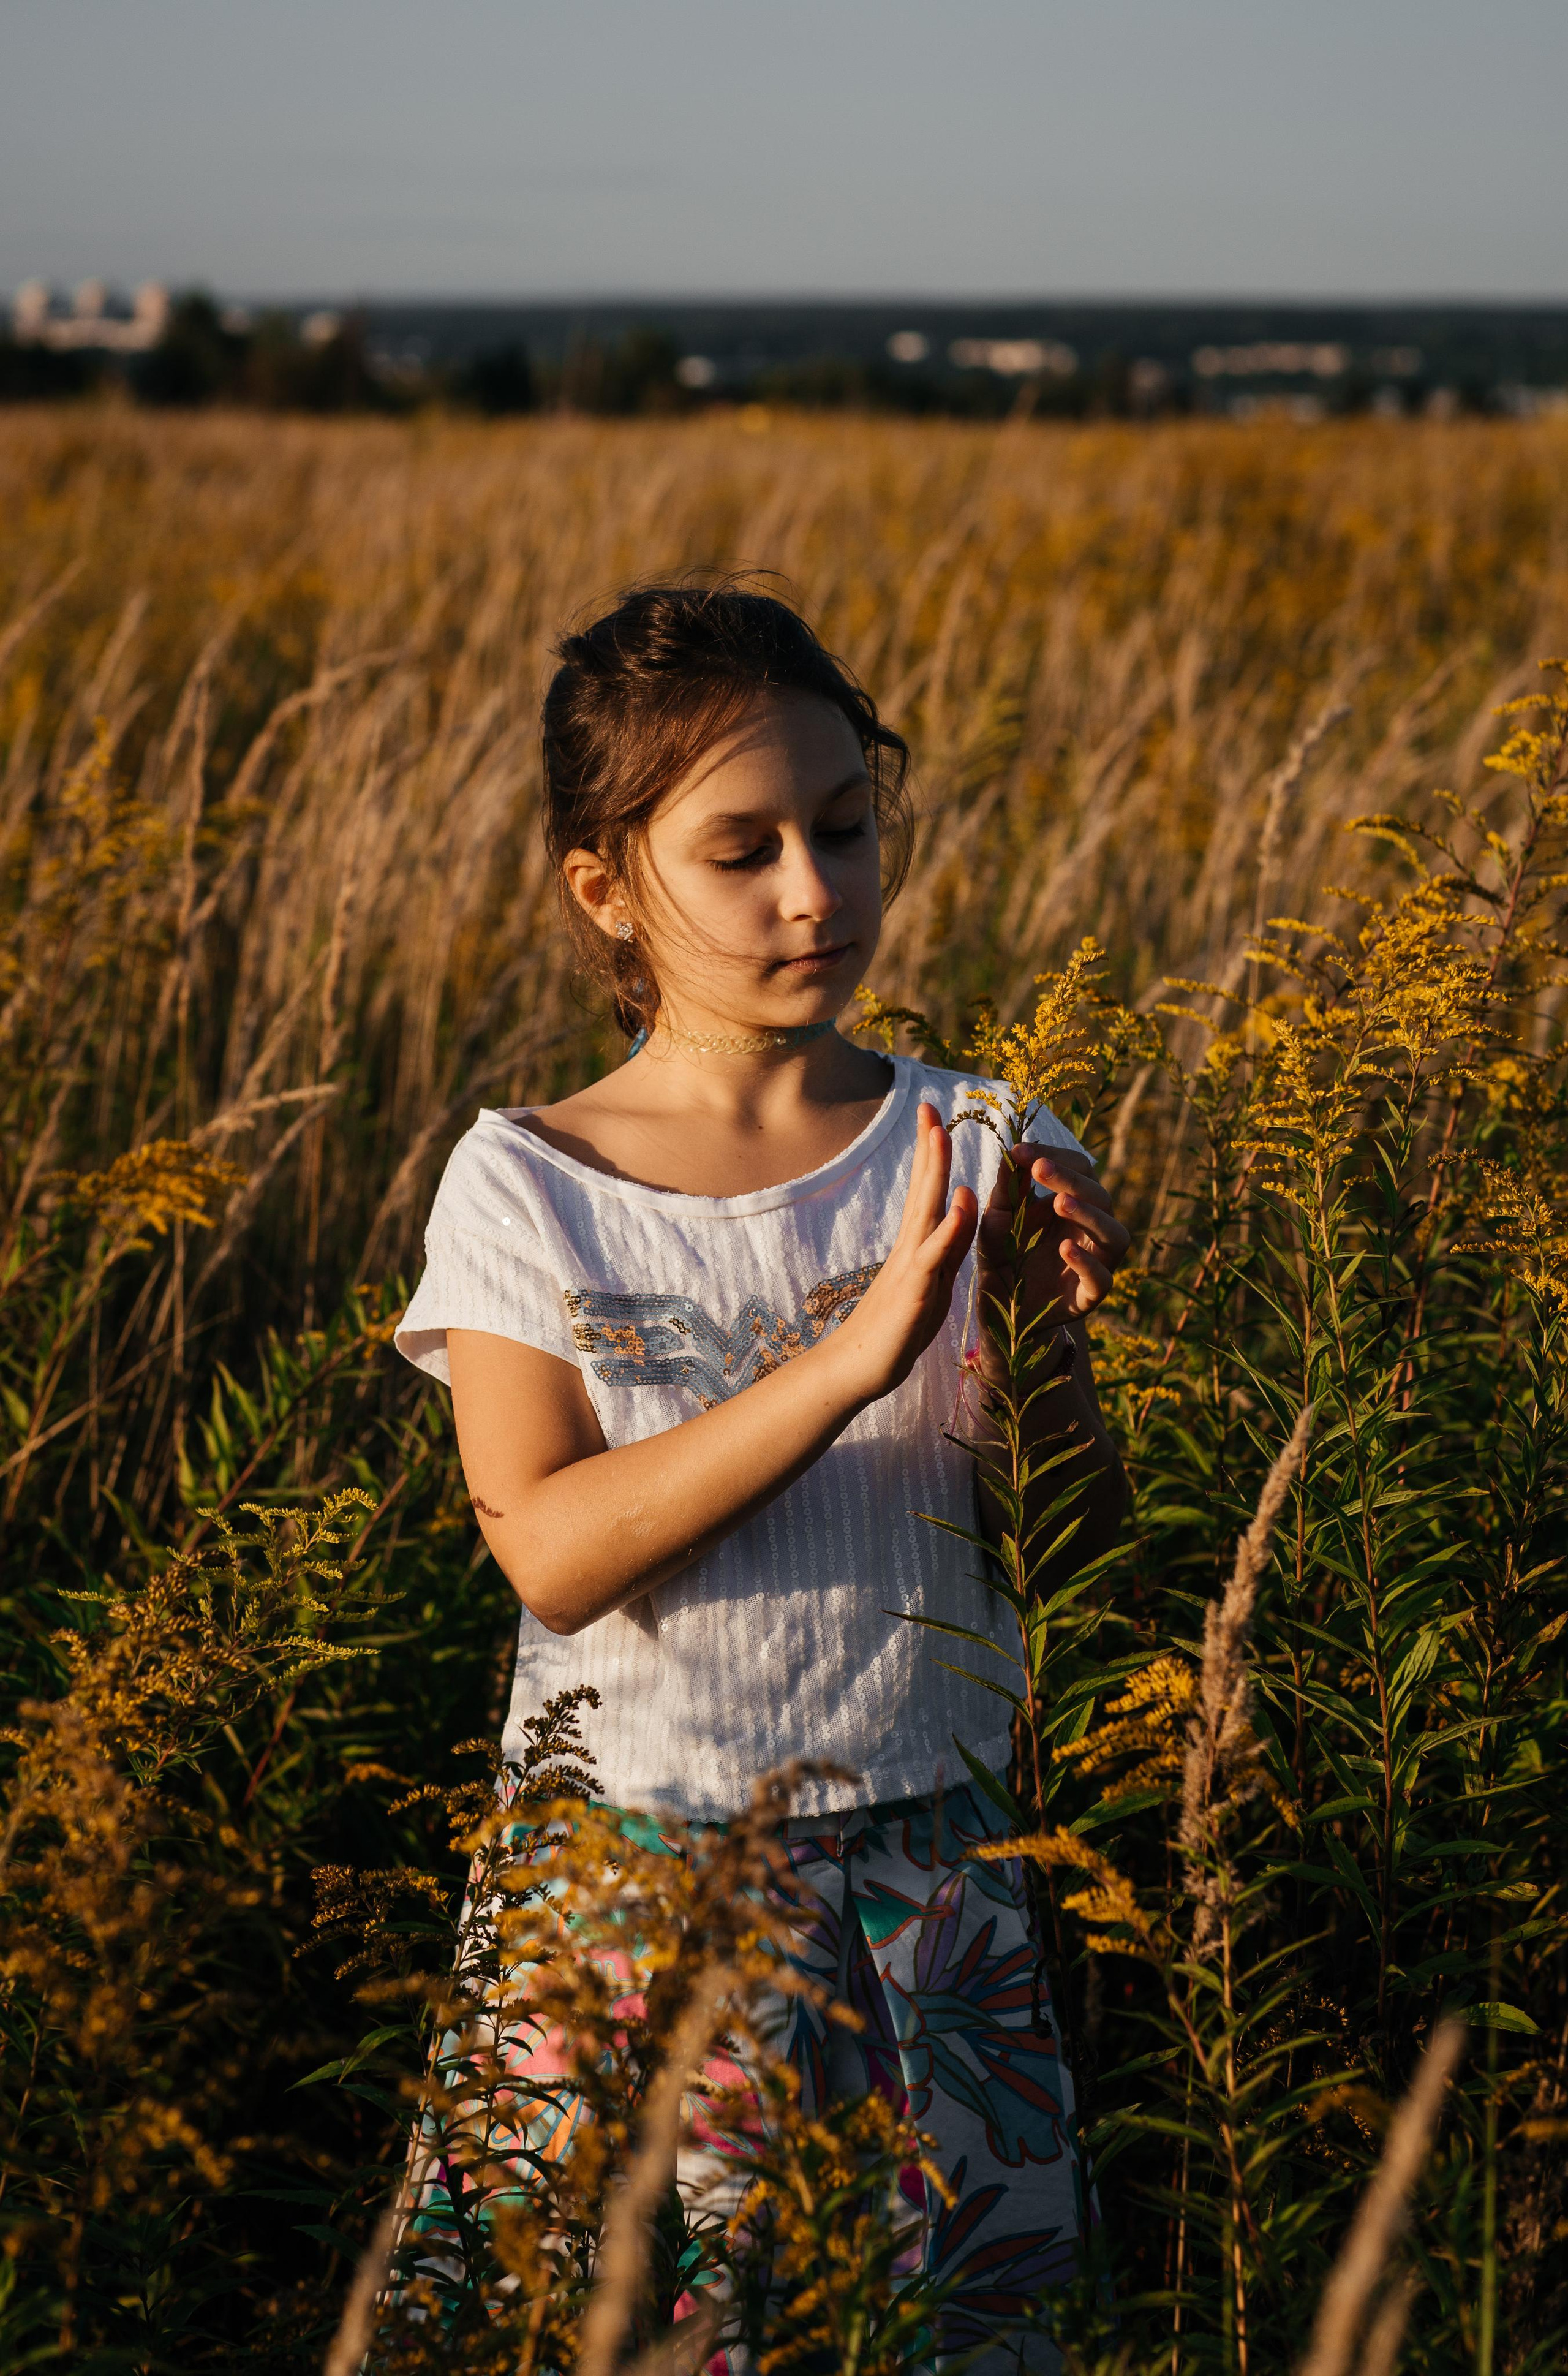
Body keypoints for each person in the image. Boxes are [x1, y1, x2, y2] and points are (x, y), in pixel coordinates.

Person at [393, 581, 1130, 2365]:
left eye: (846, 827)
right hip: (634, 1893)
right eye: (743, 850)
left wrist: (1027, 1330)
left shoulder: (975, 1137)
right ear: (605, 887)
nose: (816, 891)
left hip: (936, 1882)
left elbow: (1086, 1550)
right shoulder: (527, 1185)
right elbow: (556, 1551)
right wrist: (850, 1360)